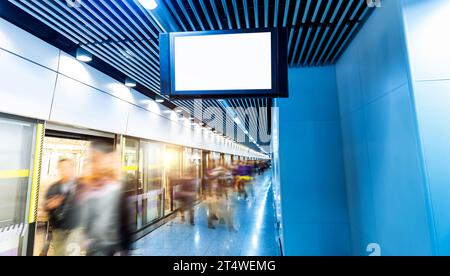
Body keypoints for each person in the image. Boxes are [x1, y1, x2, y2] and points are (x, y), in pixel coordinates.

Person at [76, 141, 132, 256]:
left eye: (97, 159)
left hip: (112, 248)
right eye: (92, 159)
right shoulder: (85, 189)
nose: (94, 163)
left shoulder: (118, 189)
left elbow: (125, 225)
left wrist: (123, 250)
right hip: (93, 248)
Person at [41, 158, 78, 256]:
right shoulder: (53, 187)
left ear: (73, 169)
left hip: (75, 228)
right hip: (58, 228)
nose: (64, 170)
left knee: (72, 253)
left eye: (67, 167)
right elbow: (45, 205)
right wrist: (50, 204)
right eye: (61, 168)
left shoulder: (80, 186)